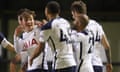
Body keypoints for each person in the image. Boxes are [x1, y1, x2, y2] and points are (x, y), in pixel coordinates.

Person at [30, 1, 76, 72]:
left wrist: (31, 58)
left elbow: (40, 48)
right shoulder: (66, 22)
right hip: (72, 63)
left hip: (61, 64)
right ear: (59, 11)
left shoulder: (47, 27)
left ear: (46, 11)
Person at [71, 1, 112, 72]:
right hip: (98, 64)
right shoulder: (96, 25)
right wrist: (109, 63)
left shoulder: (78, 27)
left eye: (72, 14)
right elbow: (107, 46)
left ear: (75, 12)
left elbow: (72, 47)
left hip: (84, 65)